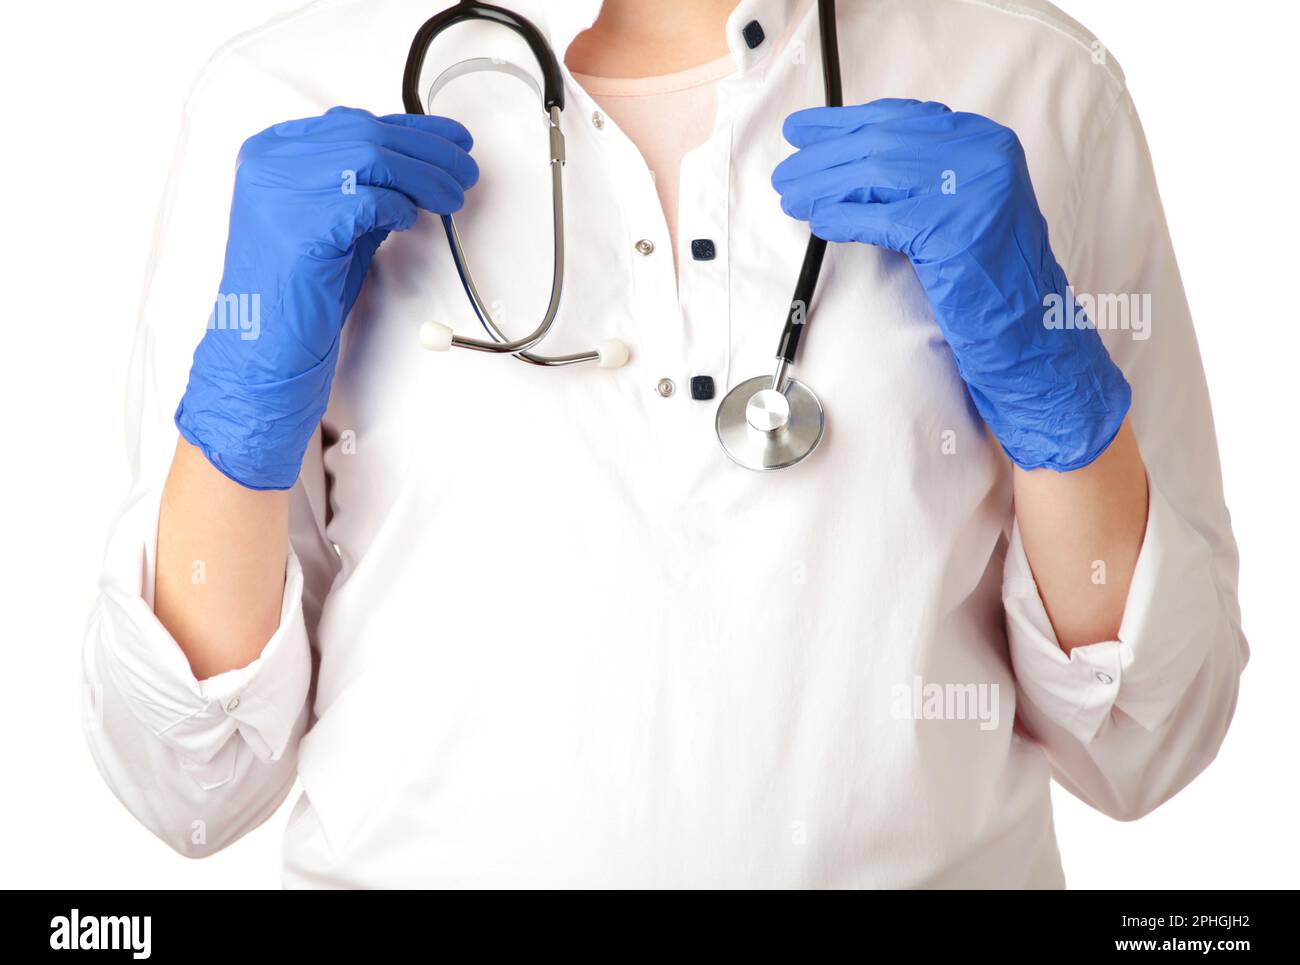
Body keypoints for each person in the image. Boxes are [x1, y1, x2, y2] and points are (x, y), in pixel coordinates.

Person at [82, 0, 1246, 888]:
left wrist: (1049, 382)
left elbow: (1147, 736)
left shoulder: (1035, 83)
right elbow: (191, 779)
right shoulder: (290, 95)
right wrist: (243, 399)